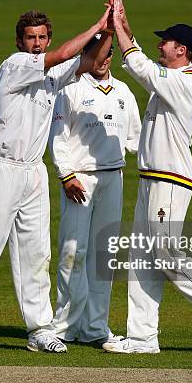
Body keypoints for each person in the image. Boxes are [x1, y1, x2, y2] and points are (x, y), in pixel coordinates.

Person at [0, 7, 114, 354]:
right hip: (4, 169)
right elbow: (67, 54)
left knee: (36, 253)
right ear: (20, 41)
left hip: (34, 171)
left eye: (42, 38)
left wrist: (109, 31)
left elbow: (90, 59)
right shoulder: (14, 65)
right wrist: (95, 24)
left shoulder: (53, 73)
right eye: (31, 38)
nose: (37, 44)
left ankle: (39, 328)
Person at [102, 0, 192, 354]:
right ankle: (142, 337)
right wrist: (120, 17)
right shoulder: (171, 75)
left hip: (170, 179)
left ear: (181, 49)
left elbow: (137, 64)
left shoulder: (184, 83)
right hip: (153, 178)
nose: (161, 46)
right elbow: (138, 54)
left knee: (165, 254)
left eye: (166, 42)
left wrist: (119, 28)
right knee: (141, 256)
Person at [48, 35, 141, 345]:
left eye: (108, 53)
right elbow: (58, 137)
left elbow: (137, 141)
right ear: (87, 54)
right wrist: (66, 175)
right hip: (80, 179)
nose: (103, 60)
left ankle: (95, 328)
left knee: (104, 256)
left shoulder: (125, 93)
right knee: (74, 252)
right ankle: (64, 327)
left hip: (113, 178)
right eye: (97, 53)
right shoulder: (70, 89)